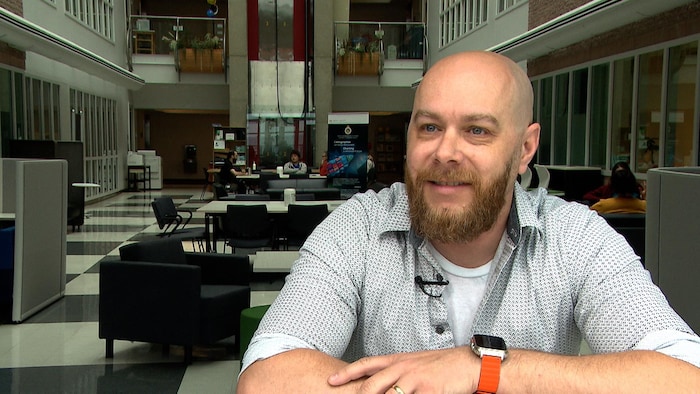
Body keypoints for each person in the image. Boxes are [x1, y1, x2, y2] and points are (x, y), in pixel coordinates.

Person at [238, 51, 700, 393]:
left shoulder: (577, 237)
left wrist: (486, 369)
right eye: (430, 127)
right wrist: (413, 384)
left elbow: (684, 376)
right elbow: (265, 377)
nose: (445, 152)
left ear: (524, 148)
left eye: (477, 130)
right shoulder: (355, 230)